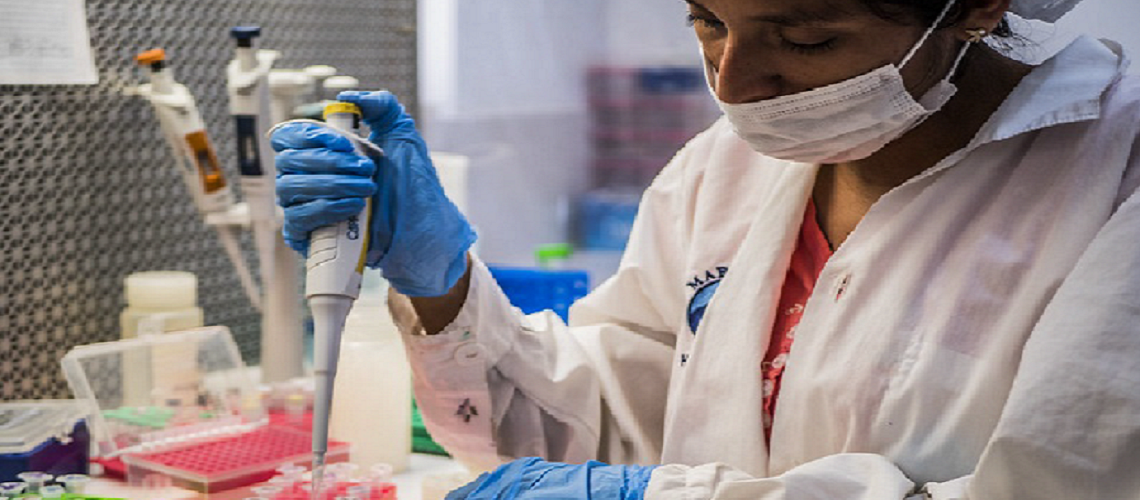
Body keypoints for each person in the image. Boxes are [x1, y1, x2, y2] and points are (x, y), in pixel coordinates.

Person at [271, 0, 1140, 497]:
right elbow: (605, 426)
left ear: (976, 5)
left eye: (806, 37)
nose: (734, 84)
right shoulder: (726, 167)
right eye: (709, 22)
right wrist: (438, 281)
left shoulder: (1115, 180)